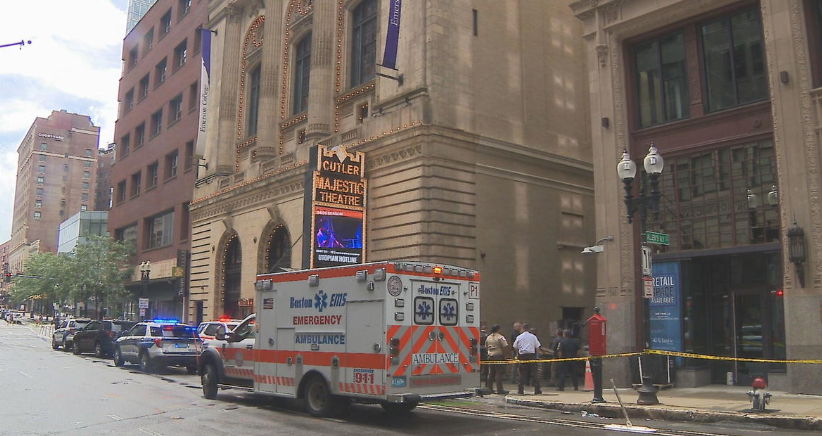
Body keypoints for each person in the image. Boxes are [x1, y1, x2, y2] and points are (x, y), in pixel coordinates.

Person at [512, 323, 542, 395]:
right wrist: (537, 357)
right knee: (534, 373)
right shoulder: (533, 337)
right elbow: (537, 347)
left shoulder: (519, 337)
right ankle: (537, 390)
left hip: (522, 356)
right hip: (532, 356)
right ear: (528, 329)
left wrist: (517, 354)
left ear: (523, 328)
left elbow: (515, 347)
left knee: (522, 373)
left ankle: (520, 390)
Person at [484, 324, 509, 394]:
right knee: (498, 373)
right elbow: (505, 347)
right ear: (498, 329)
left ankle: (489, 388)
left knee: (491, 373)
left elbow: (486, 347)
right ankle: (499, 389)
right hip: (498, 356)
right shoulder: (500, 337)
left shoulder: (488, 337)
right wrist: (506, 356)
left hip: (490, 356)